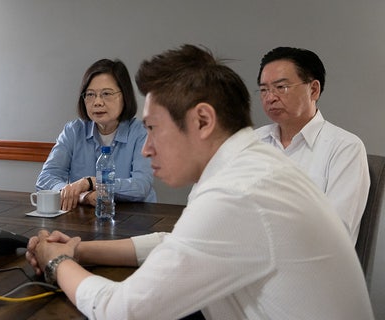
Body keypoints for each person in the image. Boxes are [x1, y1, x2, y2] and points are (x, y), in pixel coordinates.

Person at [25, 45, 373, 319]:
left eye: (153, 128)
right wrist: (79, 248)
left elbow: (123, 311)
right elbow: (179, 243)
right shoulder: (246, 165)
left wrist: (57, 262)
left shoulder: (238, 191)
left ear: (203, 120)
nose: (146, 149)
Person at [255, 47, 369, 244]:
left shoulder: (345, 148)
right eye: (264, 90)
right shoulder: (253, 142)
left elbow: (335, 234)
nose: (270, 97)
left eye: (281, 87)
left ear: (313, 89)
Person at [36, 59, 156, 211]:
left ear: (124, 96)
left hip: (135, 218)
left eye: (106, 94)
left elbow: (141, 186)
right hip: (83, 219)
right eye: (90, 94)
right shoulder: (73, 131)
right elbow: (45, 178)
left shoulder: (140, 132)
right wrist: (82, 196)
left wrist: (93, 183)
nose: (97, 102)